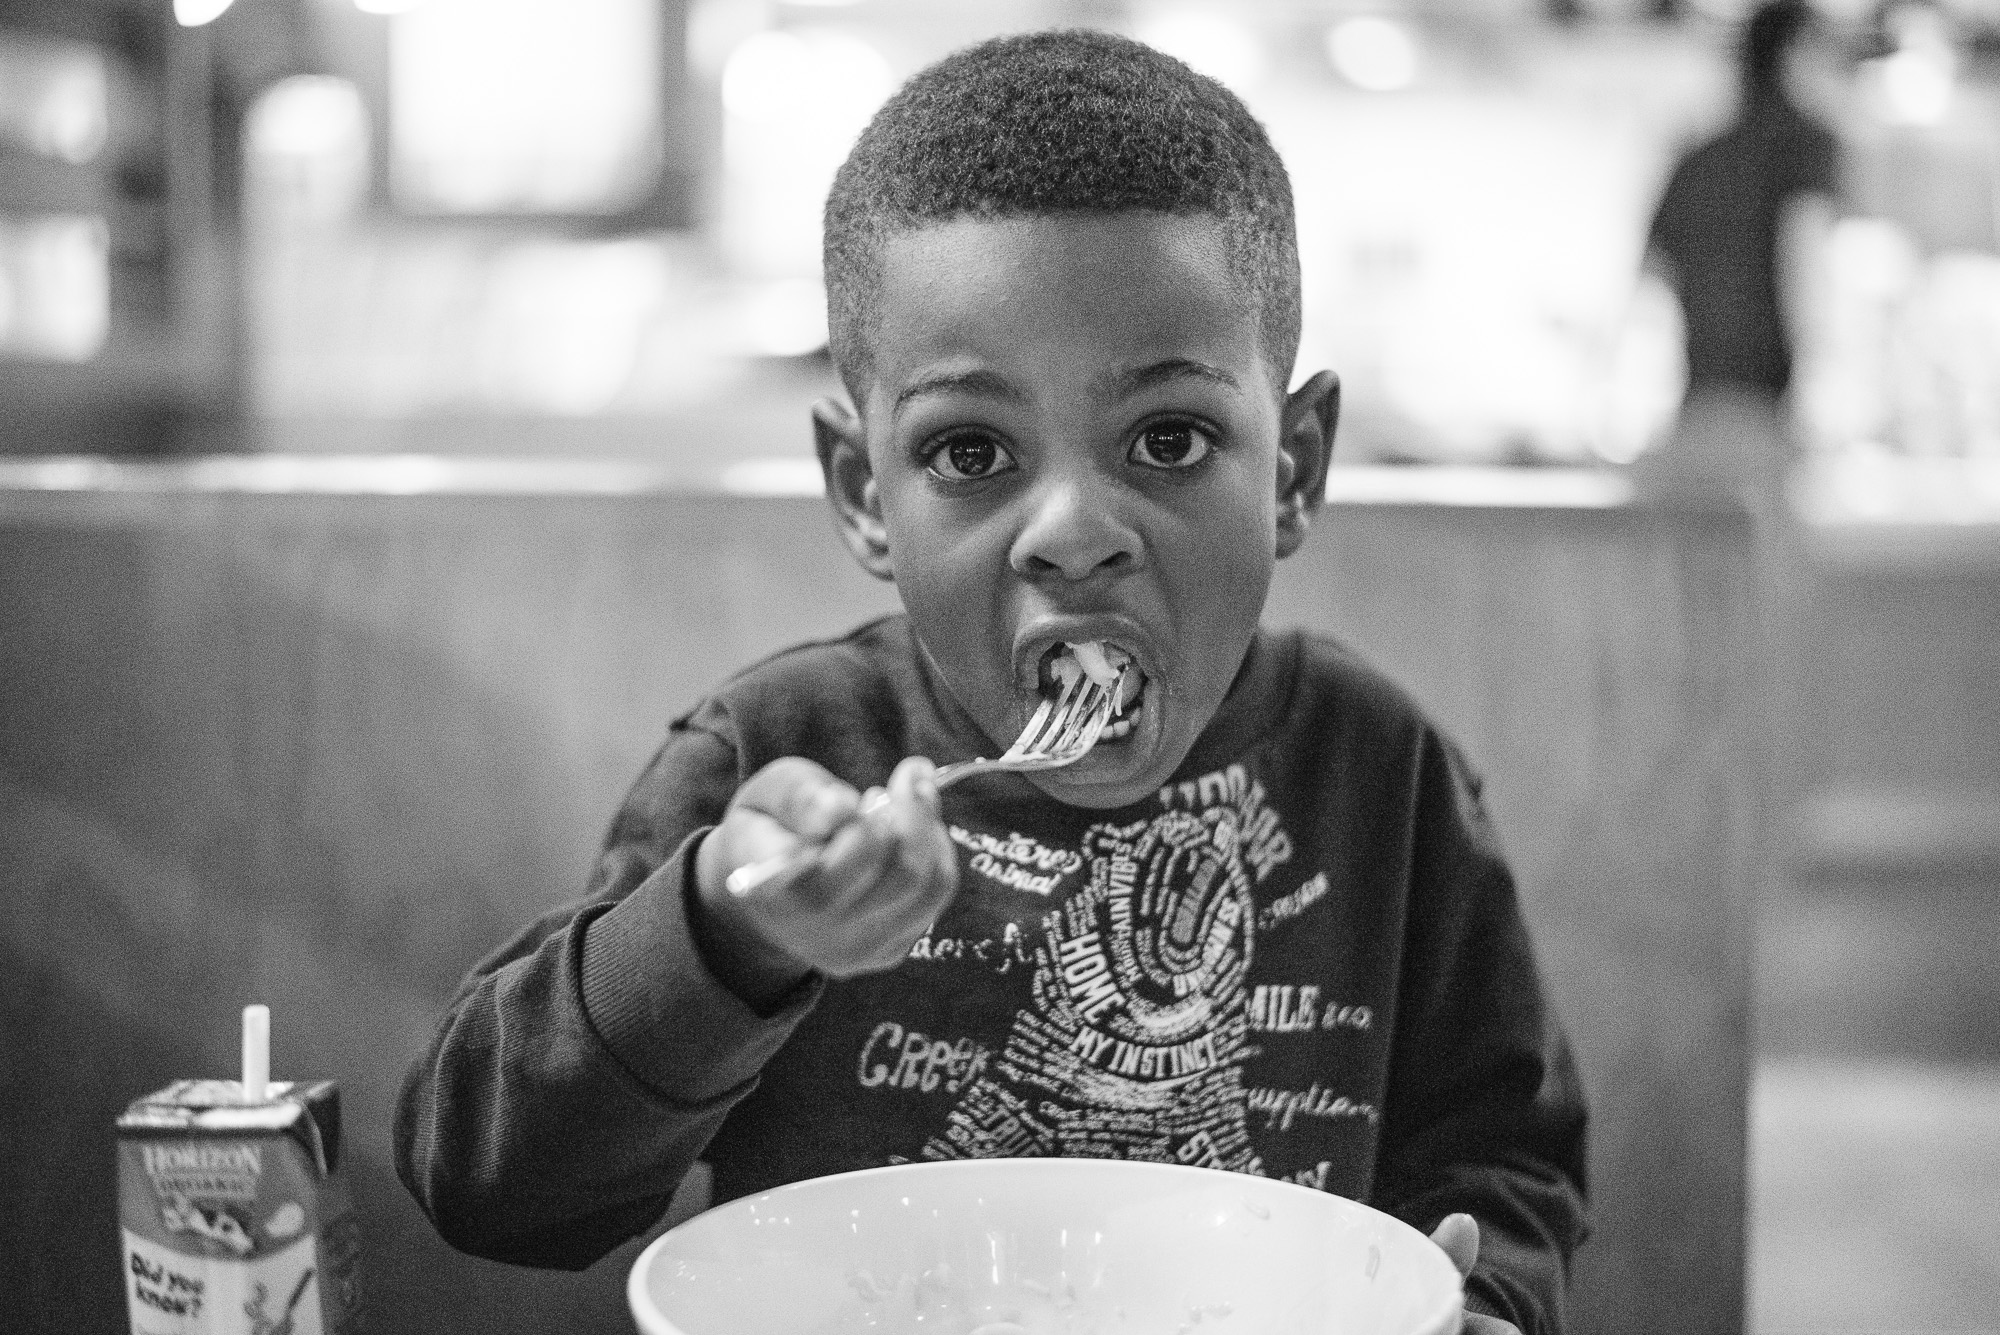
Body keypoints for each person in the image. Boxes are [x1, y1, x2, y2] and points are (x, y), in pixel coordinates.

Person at [395, 30, 1587, 1335]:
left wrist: (1483, 1297)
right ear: (864, 492)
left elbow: (1504, 1158)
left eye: (1170, 438)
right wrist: (727, 932)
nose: (1073, 530)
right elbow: (492, 1188)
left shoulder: (1383, 773)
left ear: (1295, 465)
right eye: (972, 449)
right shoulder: (780, 760)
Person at [1641, 0, 1843, 504]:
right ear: (1795, 53)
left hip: (1693, 419)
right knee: (1767, 580)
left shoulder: (1697, 158)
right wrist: (1824, 395)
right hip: (1764, 423)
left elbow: (1649, 285)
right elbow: (1801, 267)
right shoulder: (1804, 144)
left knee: (1698, 577)